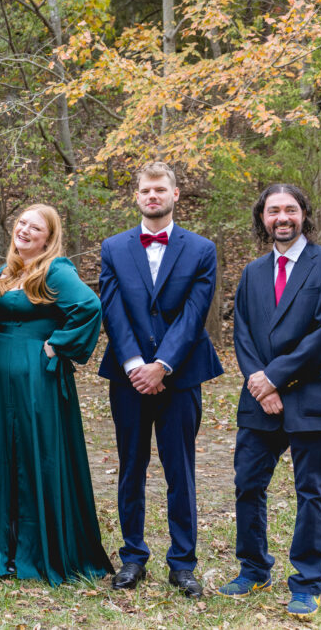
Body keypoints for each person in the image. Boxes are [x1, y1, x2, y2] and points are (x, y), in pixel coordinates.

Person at [218, 184, 321, 619]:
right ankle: (254, 568)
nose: (282, 218)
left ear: (303, 213)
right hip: (259, 396)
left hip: (313, 393)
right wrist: (259, 382)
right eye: (273, 210)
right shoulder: (254, 272)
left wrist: (275, 380)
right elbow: (243, 332)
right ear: (262, 217)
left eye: (290, 209)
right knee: (247, 484)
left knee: (310, 491)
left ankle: (307, 582)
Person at [98, 161, 223, 598]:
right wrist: (135, 365)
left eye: (160, 190)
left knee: (180, 469)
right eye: (145, 190)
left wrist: (162, 365)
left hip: (181, 376)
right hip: (128, 377)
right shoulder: (113, 248)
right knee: (131, 467)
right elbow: (112, 311)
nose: (153, 196)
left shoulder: (202, 249)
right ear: (137, 196)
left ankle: (183, 562)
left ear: (174, 196)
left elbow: (195, 314)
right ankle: (132, 557)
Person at [0, 204, 113, 585]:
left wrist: (57, 344)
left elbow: (89, 307)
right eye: (21, 222)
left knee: (35, 454)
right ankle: (2, 549)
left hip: (36, 377)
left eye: (35, 227)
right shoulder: (7, 271)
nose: (24, 230)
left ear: (49, 237)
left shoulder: (55, 270)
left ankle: (39, 550)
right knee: (3, 455)